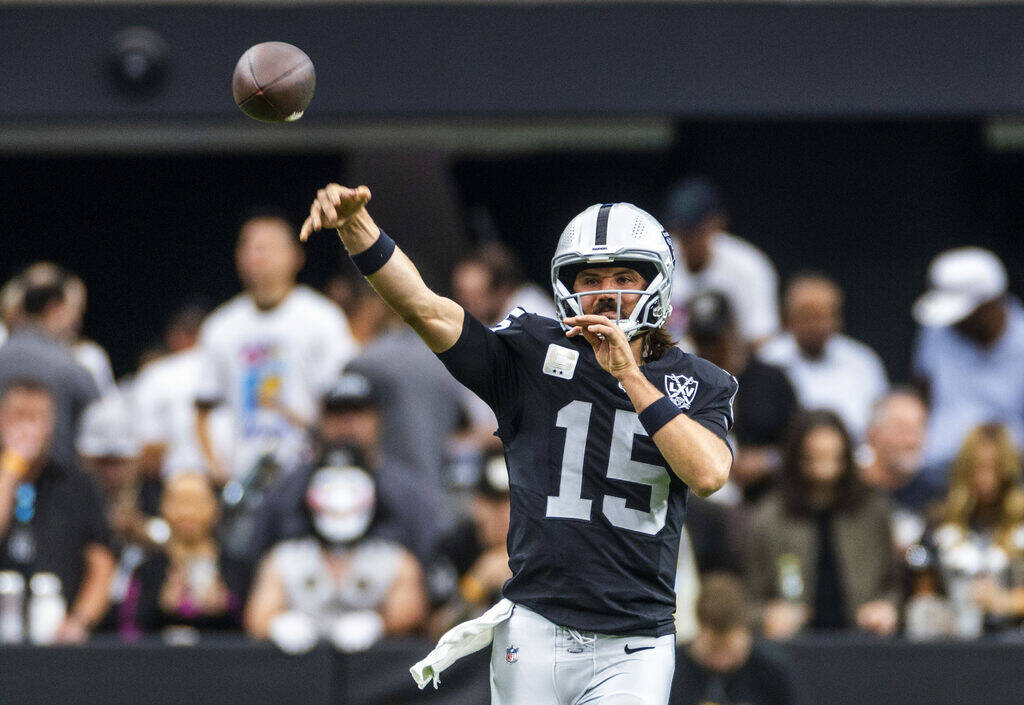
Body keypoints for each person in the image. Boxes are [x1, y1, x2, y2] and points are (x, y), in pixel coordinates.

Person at [300, 185, 736, 704]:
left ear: (657, 284)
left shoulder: (698, 381)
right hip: (536, 627)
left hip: (635, 641)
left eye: (624, 277)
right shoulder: (534, 353)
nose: (605, 293)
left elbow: (709, 473)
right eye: (591, 278)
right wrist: (358, 229)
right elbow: (427, 310)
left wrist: (632, 378)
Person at [194, 211, 356, 485]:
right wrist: (216, 469)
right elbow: (203, 408)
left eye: (268, 247)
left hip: (308, 471)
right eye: (249, 247)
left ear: (296, 256)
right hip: (243, 478)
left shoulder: (323, 319)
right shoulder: (220, 326)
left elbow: (344, 400)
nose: (258, 256)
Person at [252, 373, 445, 564]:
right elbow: (255, 561)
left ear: (378, 419)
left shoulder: (407, 493)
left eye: (357, 413)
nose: (347, 424)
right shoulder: (289, 491)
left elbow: (429, 561)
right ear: (321, 421)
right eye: (337, 414)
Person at [245, 464, 427, 653]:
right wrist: (277, 624)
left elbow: (413, 614)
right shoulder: (284, 558)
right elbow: (257, 619)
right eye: (333, 511)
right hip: (302, 667)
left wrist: (379, 624)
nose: (340, 514)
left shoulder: (396, 559)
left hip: (370, 671)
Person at [748, 411, 898, 640]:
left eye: (833, 458)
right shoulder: (769, 517)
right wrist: (767, 616)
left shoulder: (873, 511)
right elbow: (747, 597)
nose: (824, 471)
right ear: (797, 458)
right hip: (794, 646)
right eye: (813, 458)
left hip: (864, 642)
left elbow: (897, 583)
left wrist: (887, 608)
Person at [0, 379, 114, 642]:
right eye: (18, 416)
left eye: (36, 417)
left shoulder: (76, 483)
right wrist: (11, 469)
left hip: (57, 634)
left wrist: (80, 621)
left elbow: (101, 561)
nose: (27, 427)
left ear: (52, 424)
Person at [912, 247, 1024, 482]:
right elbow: (923, 390)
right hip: (936, 474)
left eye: (964, 314)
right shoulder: (936, 333)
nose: (955, 323)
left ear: (991, 304)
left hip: (1012, 476)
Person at [689, 290, 799, 501]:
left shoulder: (772, 380)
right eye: (702, 341)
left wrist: (768, 460)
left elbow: (801, 444)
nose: (709, 349)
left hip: (763, 501)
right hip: (700, 504)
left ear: (733, 331)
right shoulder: (685, 382)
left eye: (715, 339)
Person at [760, 274, 888, 440]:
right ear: (788, 317)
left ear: (838, 319)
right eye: (806, 316)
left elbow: (880, 422)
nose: (814, 326)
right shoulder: (768, 360)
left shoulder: (862, 362)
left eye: (822, 317)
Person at [661, 176, 779, 347]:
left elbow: (762, 339)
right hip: (673, 367)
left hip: (730, 367)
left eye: (695, 229)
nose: (688, 238)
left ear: (716, 223)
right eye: (681, 230)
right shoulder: (661, 261)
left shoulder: (748, 266)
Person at [929, 424, 1024, 635]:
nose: (986, 479)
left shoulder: (1020, 523)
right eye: (979, 468)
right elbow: (924, 591)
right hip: (955, 645)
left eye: (994, 468)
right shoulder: (940, 523)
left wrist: (1003, 601)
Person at [122, 473, 247, 635]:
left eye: (196, 502)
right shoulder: (146, 572)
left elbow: (252, 630)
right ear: (163, 508)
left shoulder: (239, 571)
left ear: (215, 508)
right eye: (179, 502)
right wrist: (162, 608)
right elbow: (129, 633)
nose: (187, 512)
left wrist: (226, 607)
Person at [0, 267, 99, 466]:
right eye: (71, 311)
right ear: (54, 308)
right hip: (55, 486)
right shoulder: (70, 367)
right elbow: (99, 422)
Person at [133, 303, 233, 480]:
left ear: (176, 336)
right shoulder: (235, 369)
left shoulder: (157, 374)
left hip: (177, 483)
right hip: (234, 478)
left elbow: (148, 448)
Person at [671, 573, 797, 705]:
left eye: (729, 650)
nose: (721, 661)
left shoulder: (771, 673)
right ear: (699, 631)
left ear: (746, 633)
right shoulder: (673, 670)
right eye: (713, 650)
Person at [427, 448, 512, 639]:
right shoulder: (456, 546)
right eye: (494, 503)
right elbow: (435, 629)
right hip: (469, 662)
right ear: (476, 505)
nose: (504, 514)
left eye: (511, 502)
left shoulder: (539, 547)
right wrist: (476, 584)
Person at [859, 389, 935, 552]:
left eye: (918, 428)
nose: (912, 440)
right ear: (872, 434)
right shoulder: (851, 492)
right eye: (902, 429)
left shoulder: (935, 496)